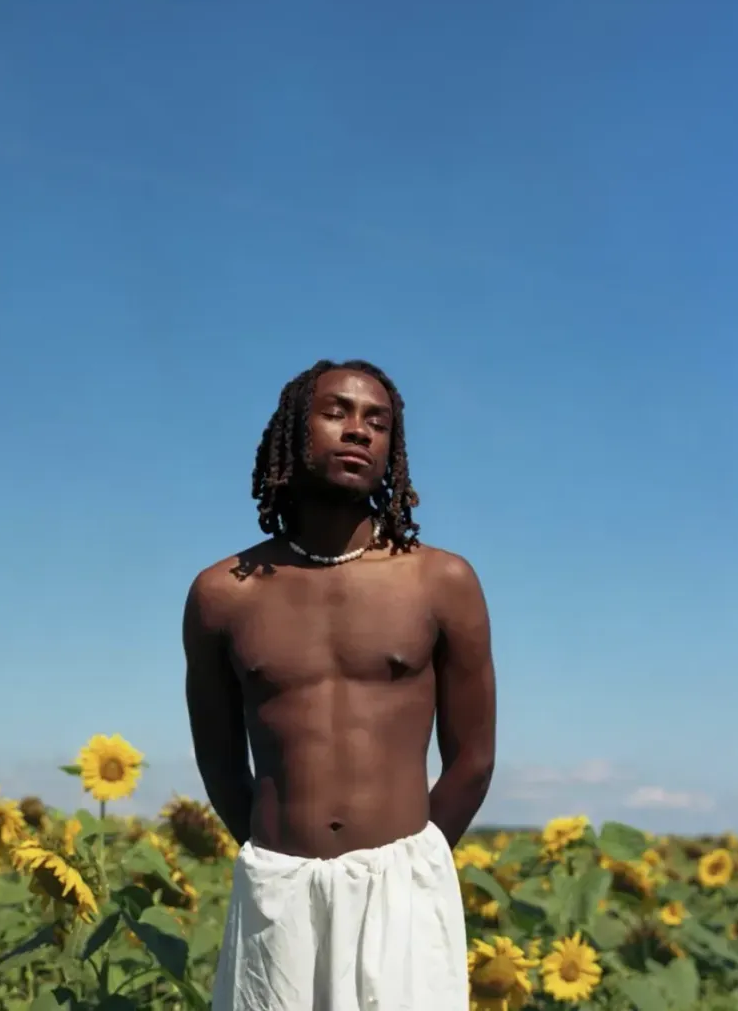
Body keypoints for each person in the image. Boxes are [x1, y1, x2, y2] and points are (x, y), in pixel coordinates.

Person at [183, 358, 496, 1011]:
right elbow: (219, 760)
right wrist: (282, 854)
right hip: (278, 890)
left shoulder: (442, 581)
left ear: (392, 449)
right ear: (294, 430)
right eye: (337, 412)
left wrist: (412, 862)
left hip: (402, 888)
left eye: (376, 422)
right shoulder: (221, 595)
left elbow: (472, 757)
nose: (358, 431)